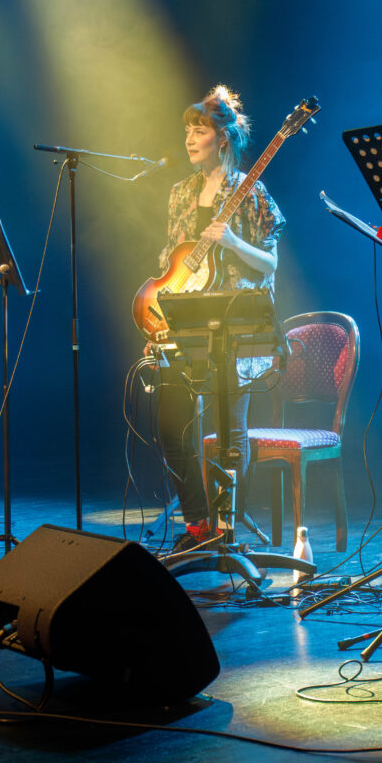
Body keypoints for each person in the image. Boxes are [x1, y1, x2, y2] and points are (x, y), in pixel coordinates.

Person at [153, 86, 284, 553]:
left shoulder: (251, 191)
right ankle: (196, 524)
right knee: (172, 424)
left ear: (222, 138)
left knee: (231, 432)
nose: (190, 138)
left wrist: (232, 243)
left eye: (200, 130)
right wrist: (158, 302)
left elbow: (269, 264)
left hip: (236, 325)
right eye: (187, 129)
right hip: (187, 322)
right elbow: (171, 258)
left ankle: (226, 530)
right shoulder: (180, 193)